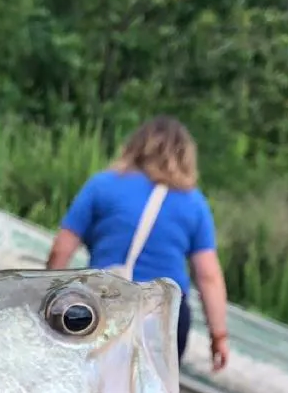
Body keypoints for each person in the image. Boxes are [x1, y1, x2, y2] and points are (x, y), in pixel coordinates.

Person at [46, 116, 231, 371]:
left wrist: (47, 303)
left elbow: (61, 249)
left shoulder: (103, 185)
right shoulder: (194, 204)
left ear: (136, 146)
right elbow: (208, 276)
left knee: (92, 384)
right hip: (165, 317)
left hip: (105, 306)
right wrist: (218, 335)